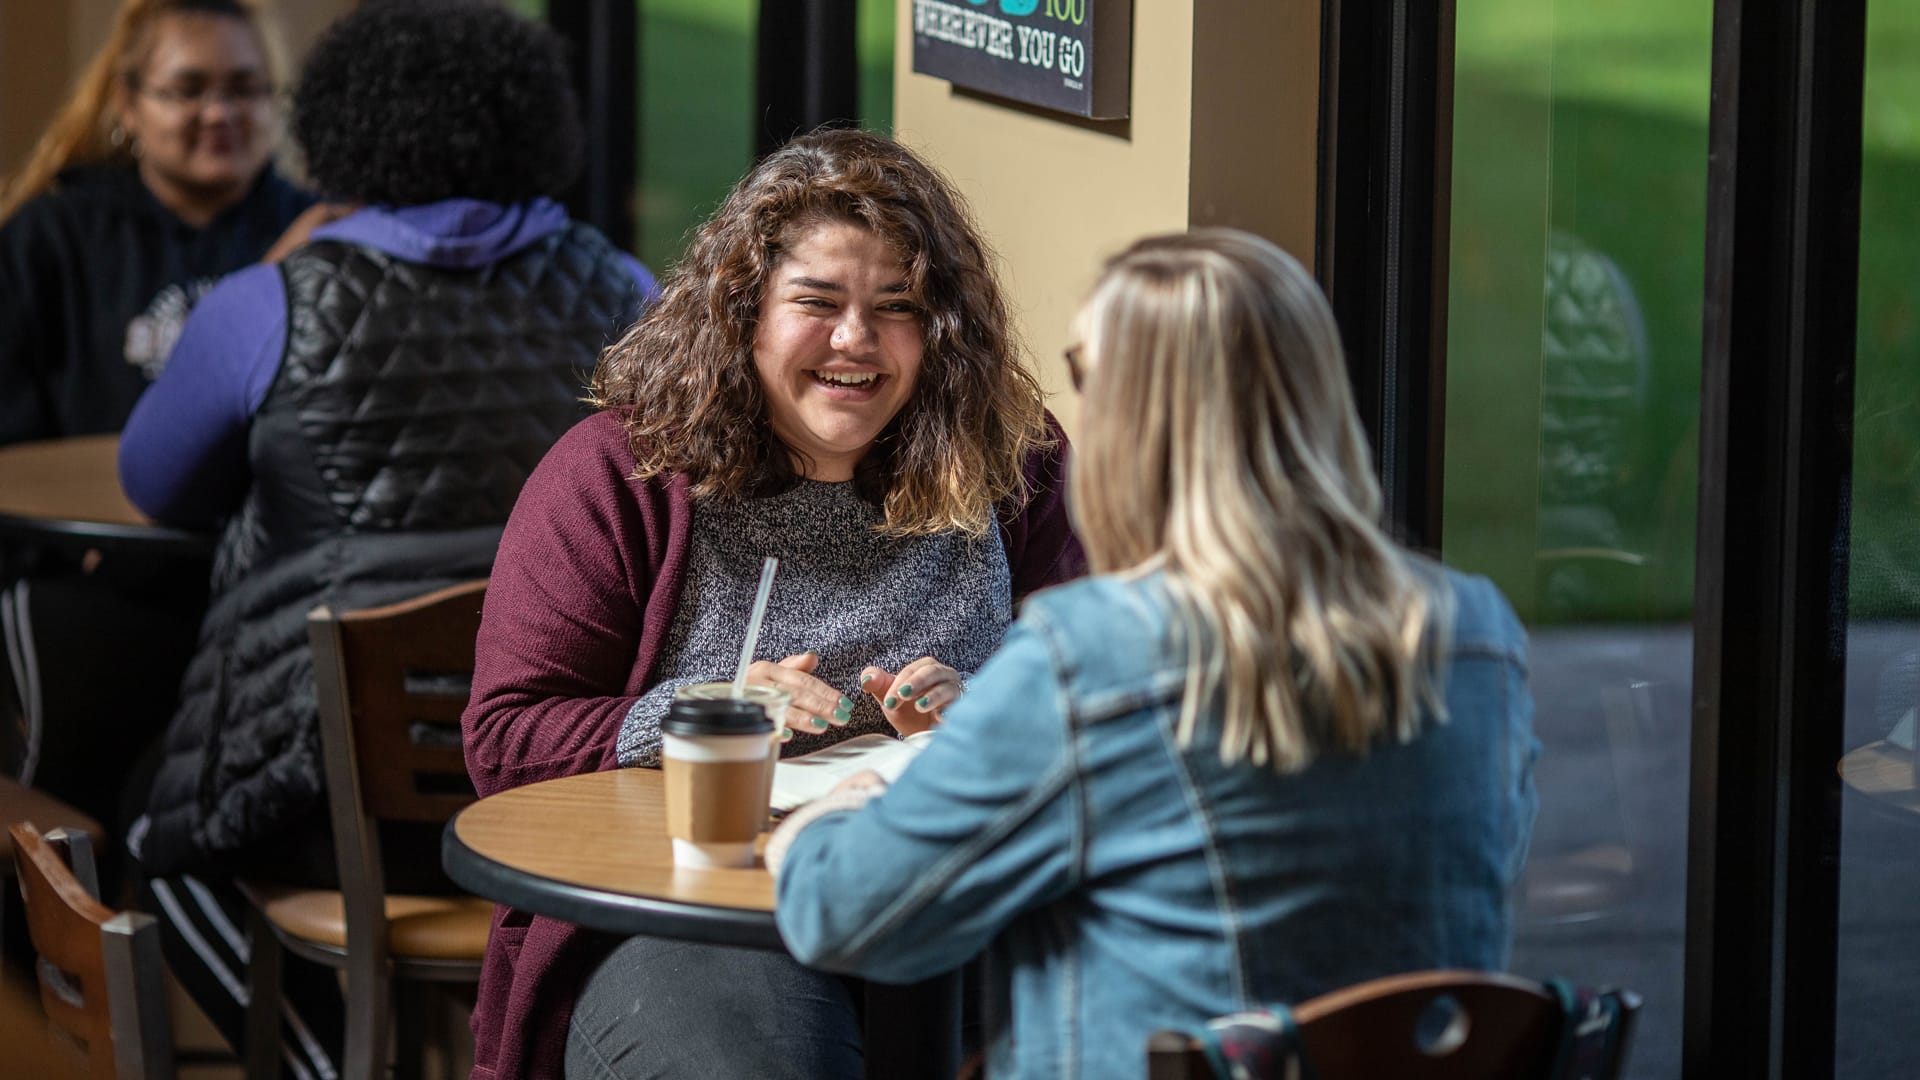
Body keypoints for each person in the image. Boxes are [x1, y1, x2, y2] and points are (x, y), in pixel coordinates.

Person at [769, 228, 1541, 1079]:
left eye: (1085, 373)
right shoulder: (1477, 632)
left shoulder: (1093, 655)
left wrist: (834, 816)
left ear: (1136, 415)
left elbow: (846, 917)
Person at [461, 127, 1085, 1080]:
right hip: (692, 923)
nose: (855, 341)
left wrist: (998, 710)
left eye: (898, 307)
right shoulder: (618, 475)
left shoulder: (1018, 464)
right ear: (743, 313)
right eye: (817, 303)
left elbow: (1098, 695)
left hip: (965, 904)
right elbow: (507, 740)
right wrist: (705, 715)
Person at [117, 3, 656, 1075]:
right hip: (562, 777)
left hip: (321, 784)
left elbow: (154, 487)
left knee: (155, 851)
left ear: (343, 130)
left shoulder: (271, 302)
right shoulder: (624, 290)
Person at [0, 0, 315, 906]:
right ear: (127, 106)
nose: (223, 112)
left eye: (248, 89)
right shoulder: (50, 236)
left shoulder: (314, 237)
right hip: (88, 579)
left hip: (258, 588)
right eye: (190, 89)